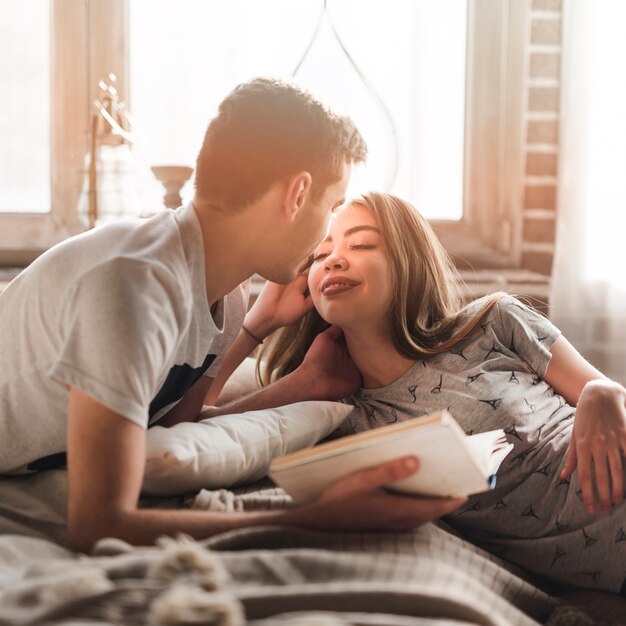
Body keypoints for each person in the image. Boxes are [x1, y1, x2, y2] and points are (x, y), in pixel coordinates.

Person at [0, 79, 466, 552]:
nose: (326, 235)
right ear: (298, 193)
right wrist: (315, 518)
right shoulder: (134, 289)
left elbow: (170, 428)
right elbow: (100, 525)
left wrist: (255, 330)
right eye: (331, 207)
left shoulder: (225, 290)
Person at [258, 191, 626, 594]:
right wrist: (257, 328)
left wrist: (602, 393)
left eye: (360, 244)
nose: (334, 259)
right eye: (318, 255)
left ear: (407, 262)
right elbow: (186, 429)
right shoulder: (342, 419)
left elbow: (601, 388)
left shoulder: (494, 321)